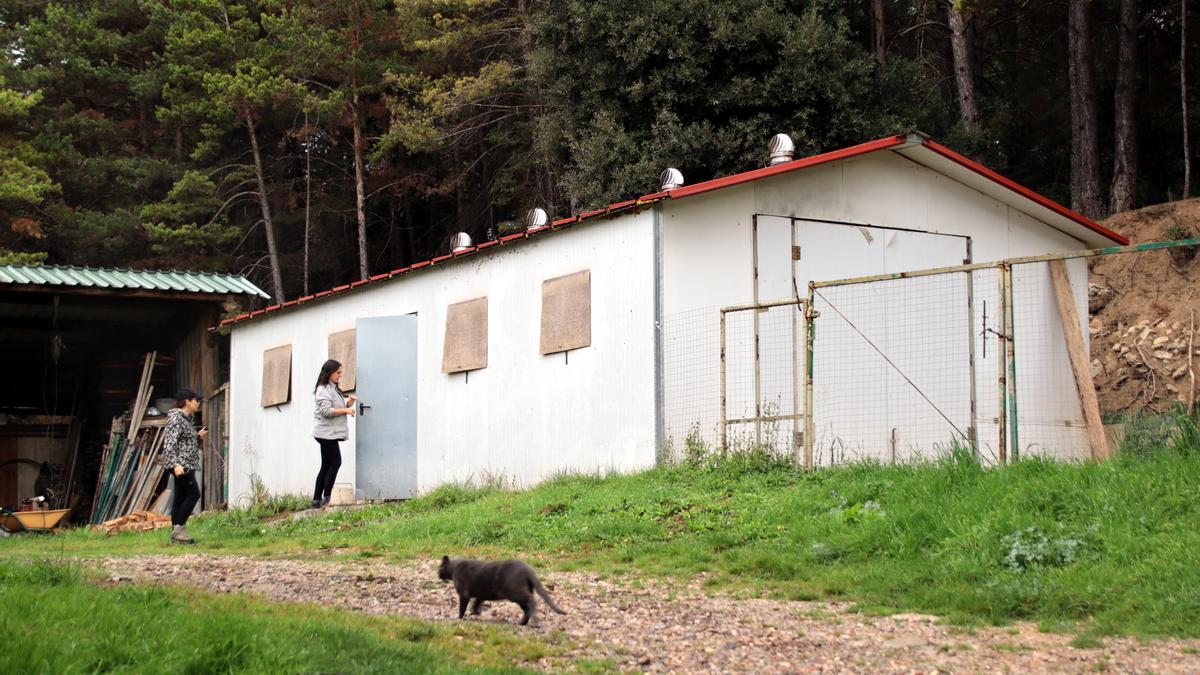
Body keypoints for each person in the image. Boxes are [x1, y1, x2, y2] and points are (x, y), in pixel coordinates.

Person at [162, 388, 207, 544]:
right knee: (194, 494)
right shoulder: (176, 419)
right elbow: (169, 444)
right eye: (196, 400)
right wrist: (175, 465)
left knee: (180, 498)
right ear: (187, 401)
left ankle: (177, 534)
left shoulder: (187, 419)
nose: (198, 403)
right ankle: (179, 529)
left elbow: (183, 441)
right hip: (181, 465)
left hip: (186, 463)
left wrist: (196, 436)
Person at [312, 359, 356, 509]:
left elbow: (335, 406)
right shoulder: (323, 389)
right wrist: (346, 410)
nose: (340, 376)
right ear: (329, 373)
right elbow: (327, 411)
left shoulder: (332, 388)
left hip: (329, 432)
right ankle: (326, 497)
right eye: (338, 373)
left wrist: (348, 404)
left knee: (326, 465)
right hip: (325, 433)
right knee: (336, 462)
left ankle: (317, 500)